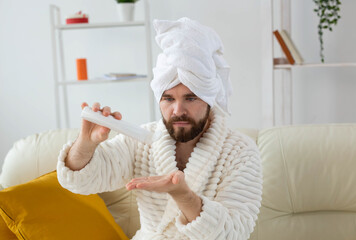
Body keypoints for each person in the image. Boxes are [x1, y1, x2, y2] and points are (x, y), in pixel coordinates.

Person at [57, 17, 262, 240]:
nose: (178, 110)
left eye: (190, 98)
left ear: (209, 100)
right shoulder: (140, 141)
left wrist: (183, 195)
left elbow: (235, 232)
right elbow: (80, 182)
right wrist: (85, 145)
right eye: (168, 99)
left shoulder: (241, 152)